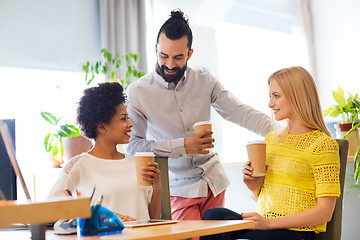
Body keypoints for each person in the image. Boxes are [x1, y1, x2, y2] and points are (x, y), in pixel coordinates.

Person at [125, 9, 276, 221]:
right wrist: (182, 146)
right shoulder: (138, 92)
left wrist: (282, 131)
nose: (169, 64)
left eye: (178, 57)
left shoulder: (204, 79)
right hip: (178, 187)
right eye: (163, 55)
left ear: (190, 54)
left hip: (214, 182)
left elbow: (239, 112)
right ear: (155, 49)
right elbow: (134, 146)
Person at [200, 66, 340, 240]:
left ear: (297, 96)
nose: (270, 104)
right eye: (270, 96)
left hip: (297, 233)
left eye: (276, 96)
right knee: (213, 217)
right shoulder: (271, 139)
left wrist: (268, 224)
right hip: (266, 227)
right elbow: (268, 196)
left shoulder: (323, 145)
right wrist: (255, 186)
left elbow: (325, 212)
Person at [47, 82, 162, 222]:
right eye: (123, 119)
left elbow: (153, 219)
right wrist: (101, 216)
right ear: (101, 126)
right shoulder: (78, 166)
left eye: (128, 118)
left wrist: (157, 189)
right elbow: (50, 210)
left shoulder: (136, 164)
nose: (130, 124)